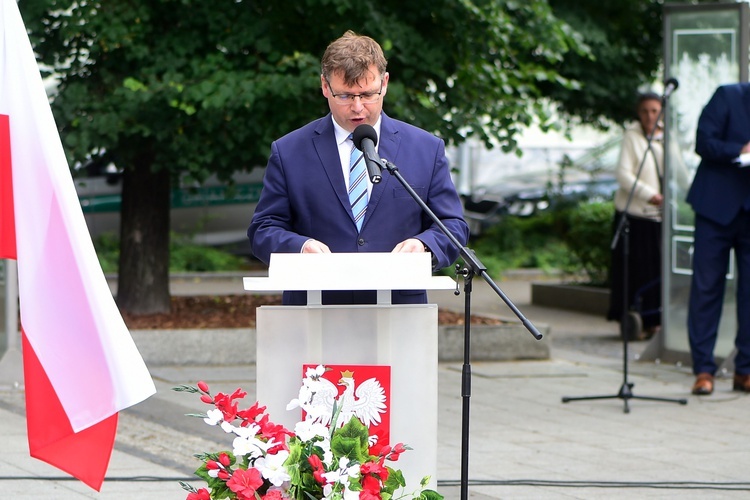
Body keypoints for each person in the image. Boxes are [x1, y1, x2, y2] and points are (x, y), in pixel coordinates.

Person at [247, 30, 469, 305]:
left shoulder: (425, 148)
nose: (357, 107)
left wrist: (424, 246)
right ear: (325, 87)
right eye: (345, 96)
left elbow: (453, 226)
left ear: (384, 83)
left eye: (367, 94)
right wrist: (300, 248)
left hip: (400, 313)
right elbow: (263, 229)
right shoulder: (289, 151)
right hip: (315, 311)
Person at [687, 82, 750, 396]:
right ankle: (703, 370)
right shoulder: (728, 95)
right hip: (715, 208)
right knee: (707, 289)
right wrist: (739, 150)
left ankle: (745, 371)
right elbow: (703, 142)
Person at [607, 92, 665, 341]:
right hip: (634, 215)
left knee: (657, 270)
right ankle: (633, 320)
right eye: (645, 111)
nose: (650, 116)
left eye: (654, 110)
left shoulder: (666, 139)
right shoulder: (632, 137)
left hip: (659, 217)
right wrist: (648, 193)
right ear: (638, 113)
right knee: (635, 270)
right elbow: (623, 174)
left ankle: (656, 321)